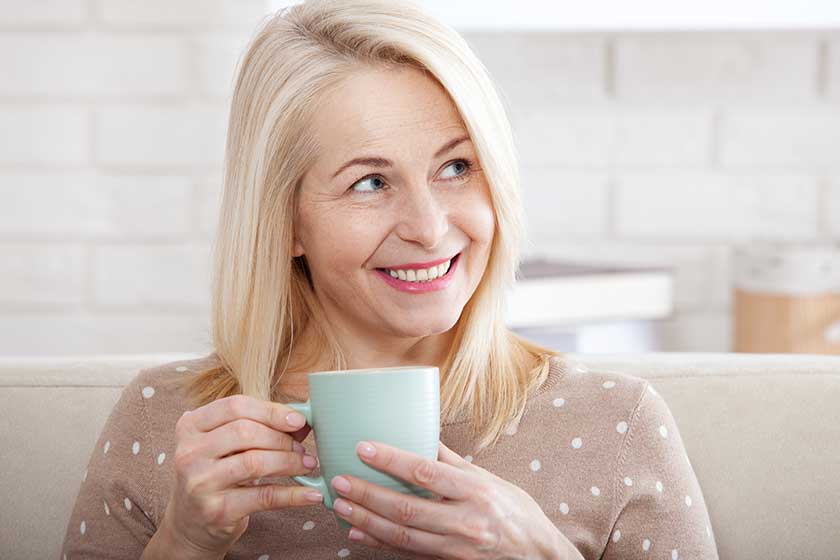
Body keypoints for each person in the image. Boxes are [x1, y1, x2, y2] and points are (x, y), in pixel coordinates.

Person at [60, 1, 720, 558]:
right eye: (370, 182)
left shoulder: (615, 423)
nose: (430, 228)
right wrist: (184, 540)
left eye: (457, 167)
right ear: (283, 222)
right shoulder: (169, 427)